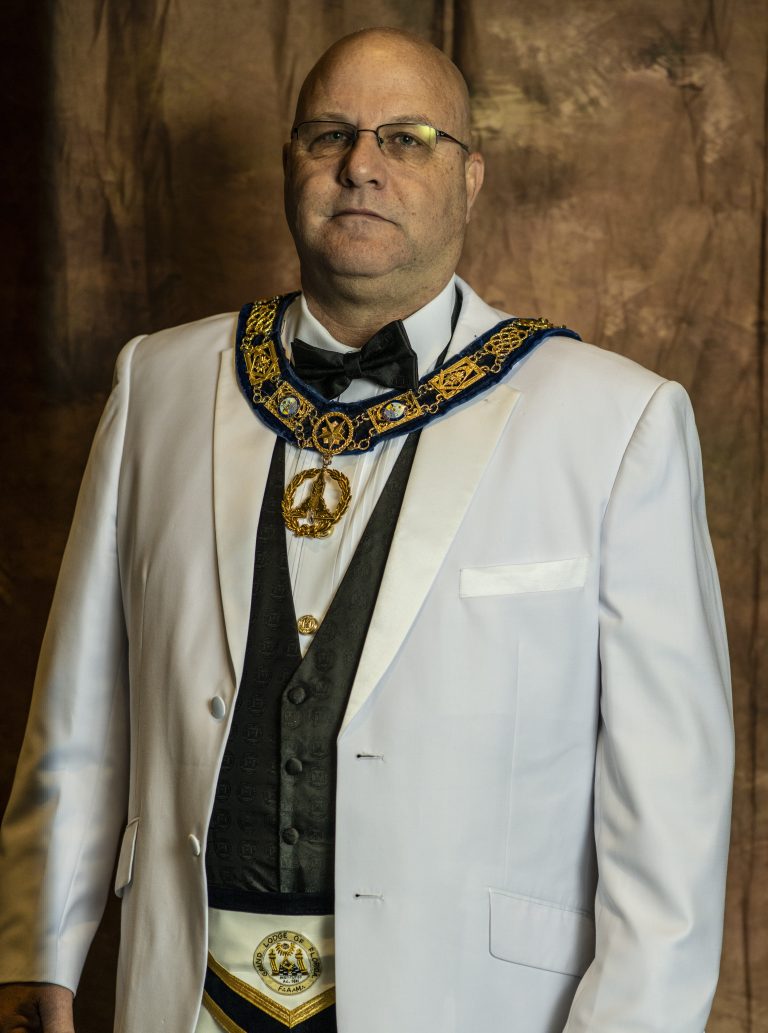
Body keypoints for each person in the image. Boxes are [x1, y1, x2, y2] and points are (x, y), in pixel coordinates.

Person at [0, 26, 733, 1033]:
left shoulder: (615, 422)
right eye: (329, 134)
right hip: (187, 997)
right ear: (291, 164)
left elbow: (672, 813)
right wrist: (33, 947)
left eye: (407, 137)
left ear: (471, 177)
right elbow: (78, 708)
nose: (361, 165)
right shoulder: (157, 383)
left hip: (476, 1006)